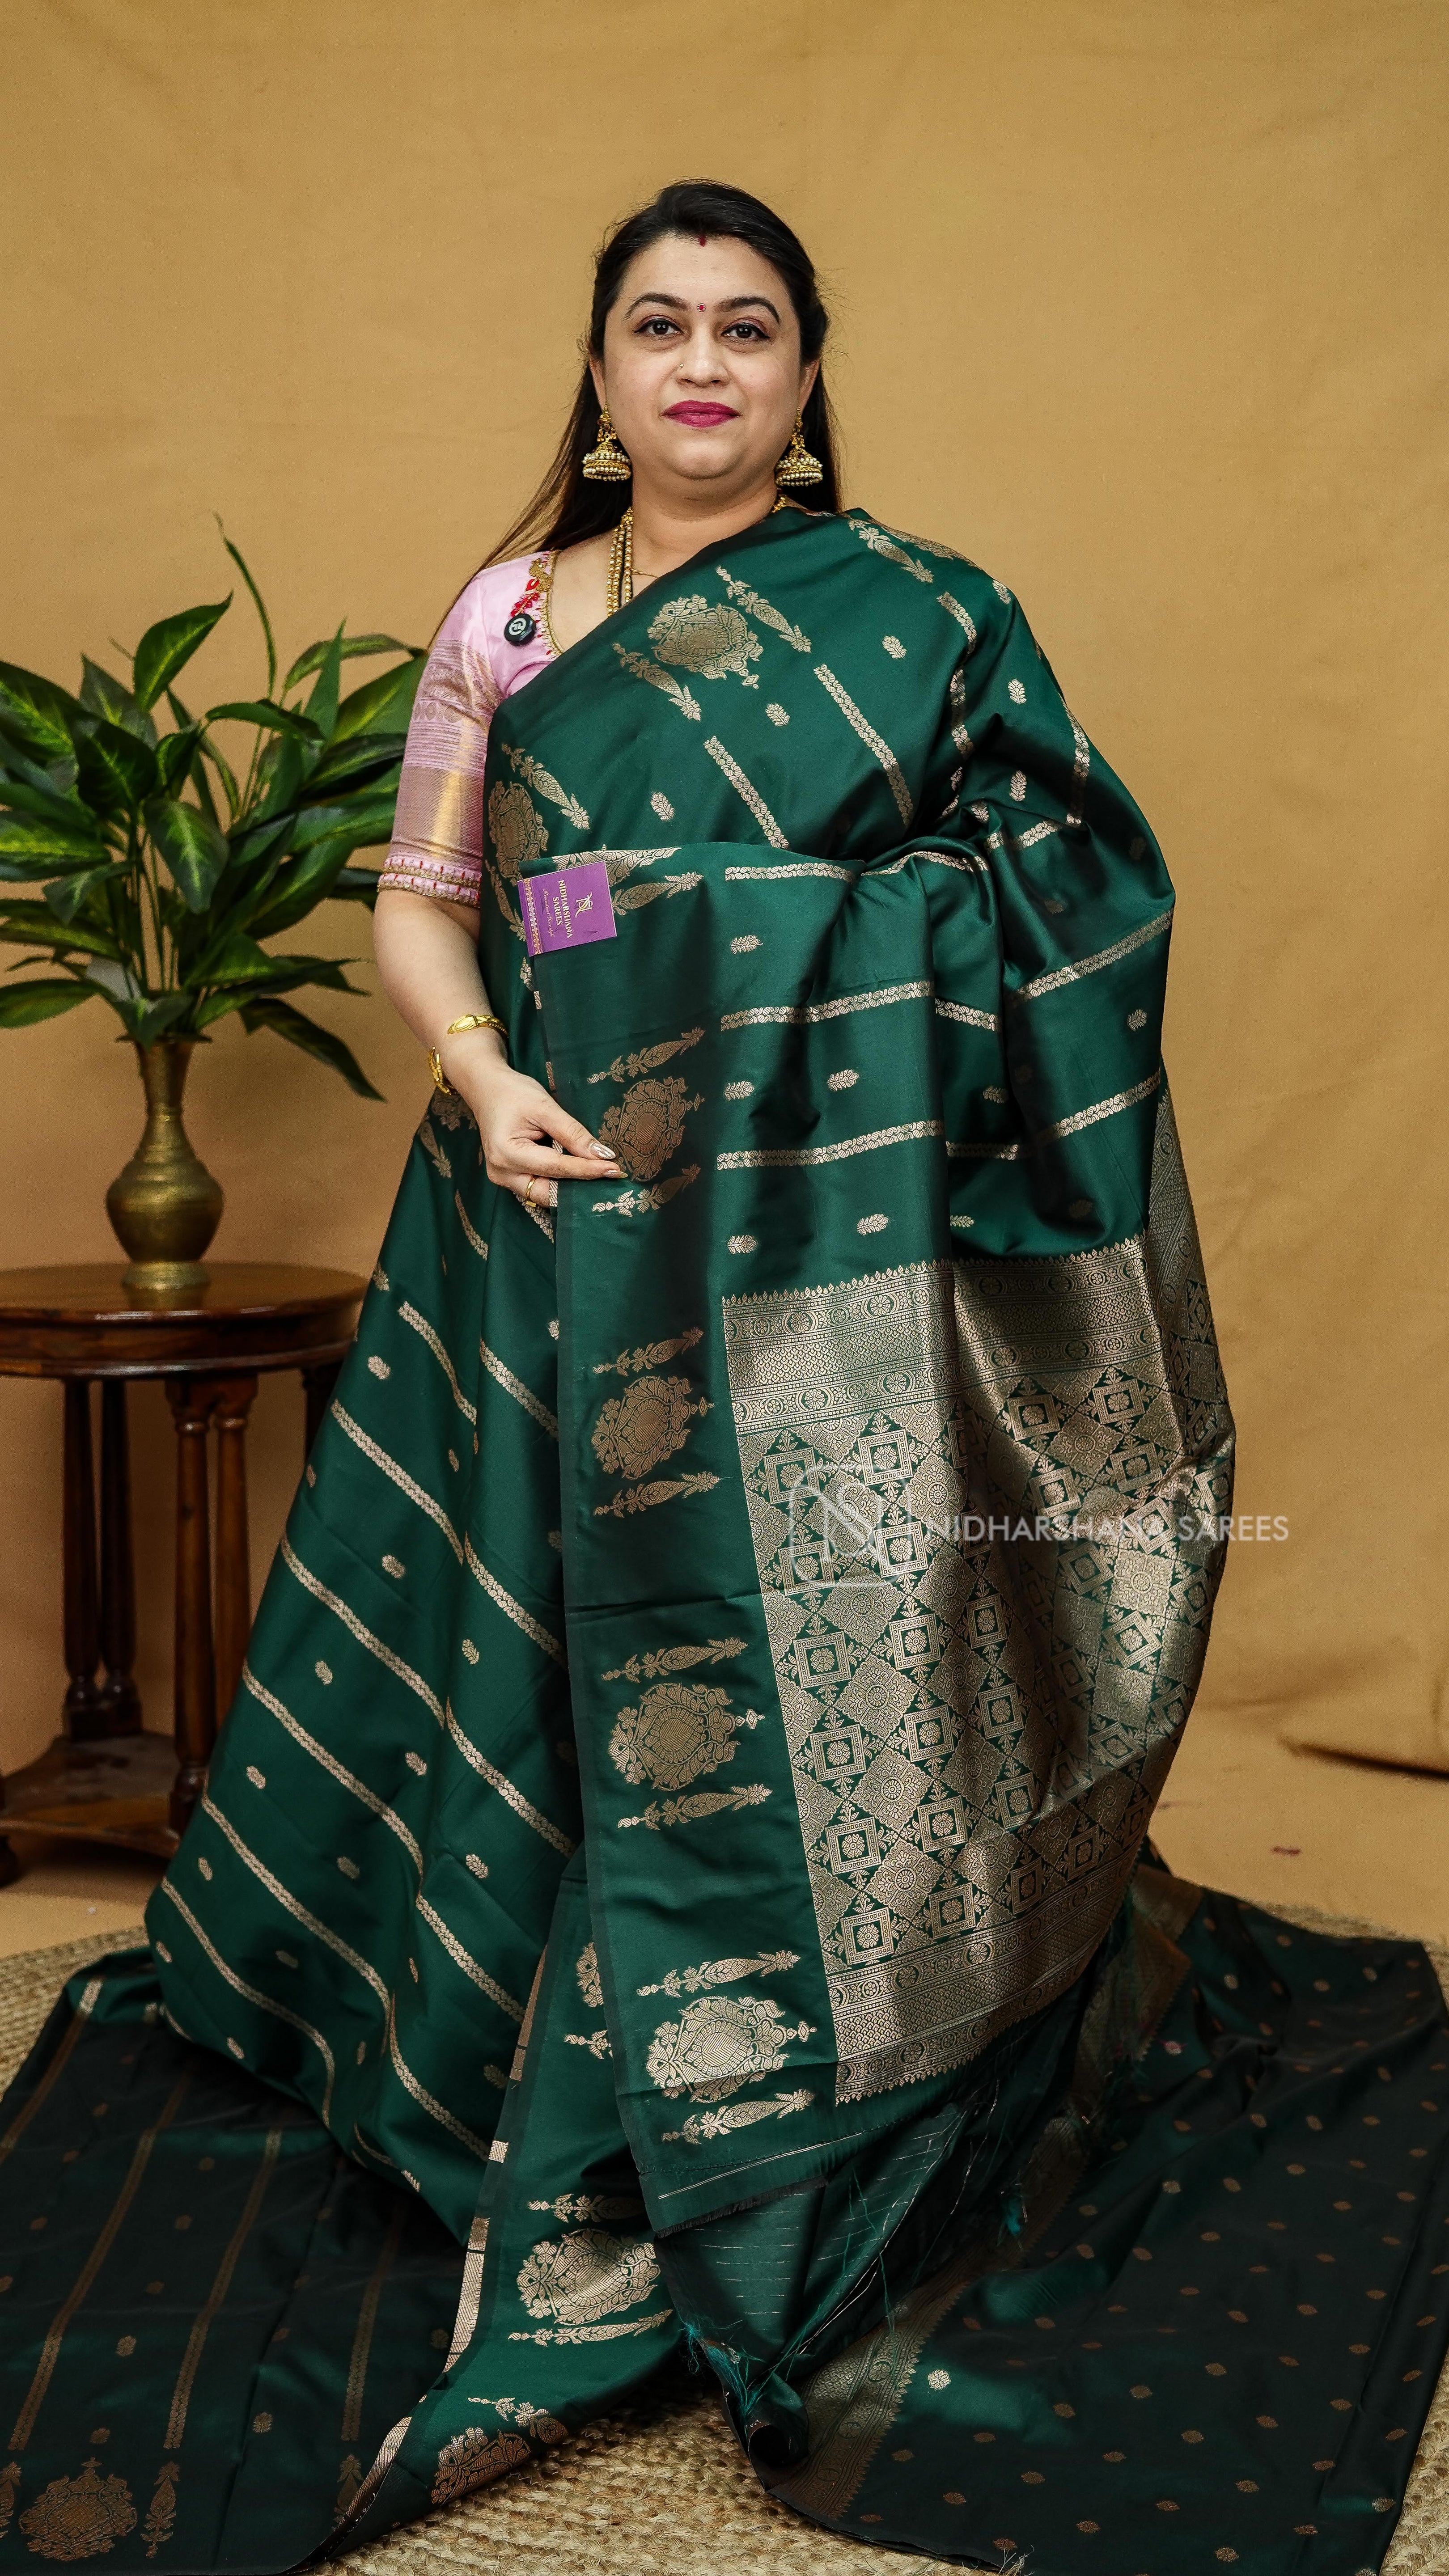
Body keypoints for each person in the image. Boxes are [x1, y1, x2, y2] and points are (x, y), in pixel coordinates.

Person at [1, 180, 1445, 2576]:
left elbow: (1064, 893)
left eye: (745, 328)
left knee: (780, 1655)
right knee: (532, 1630)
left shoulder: (925, 614)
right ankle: (491, 2043)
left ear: (804, 377)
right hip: (544, 1200)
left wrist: (737, 944)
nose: (698, 365)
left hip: (813, 1263)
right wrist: (488, 1075)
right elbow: (436, 899)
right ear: (596, 374)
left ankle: (786, 2090)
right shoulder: (509, 617)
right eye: (656, 326)